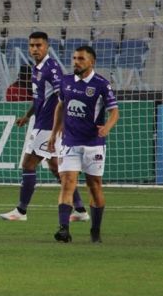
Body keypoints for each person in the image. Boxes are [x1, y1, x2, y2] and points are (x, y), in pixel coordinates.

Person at [0, 32, 88, 222]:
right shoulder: (36, 68)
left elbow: (63, 96)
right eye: (32, 45)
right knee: (56, 167)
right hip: (41, 123)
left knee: (28, 164)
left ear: (47, 46)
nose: (35, 49)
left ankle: (21, 211)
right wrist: (27, 115)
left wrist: (59, 128)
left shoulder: (51, 68)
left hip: (48, 126)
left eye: (39, 45)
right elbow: (40, 97)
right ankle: (80, 209)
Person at [48, 45, 119, 243]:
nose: (76, 62)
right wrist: (54, 134)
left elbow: (115, 112)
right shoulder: (66, 81)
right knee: (67, 182)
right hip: (69, 142)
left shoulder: (101, 84)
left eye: (80, 59)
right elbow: (60, 106)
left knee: (94, 186)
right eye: (74, 58)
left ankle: (95, 231)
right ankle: (64, 230)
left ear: (91, 62)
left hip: (93, 144)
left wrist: (107, 127)